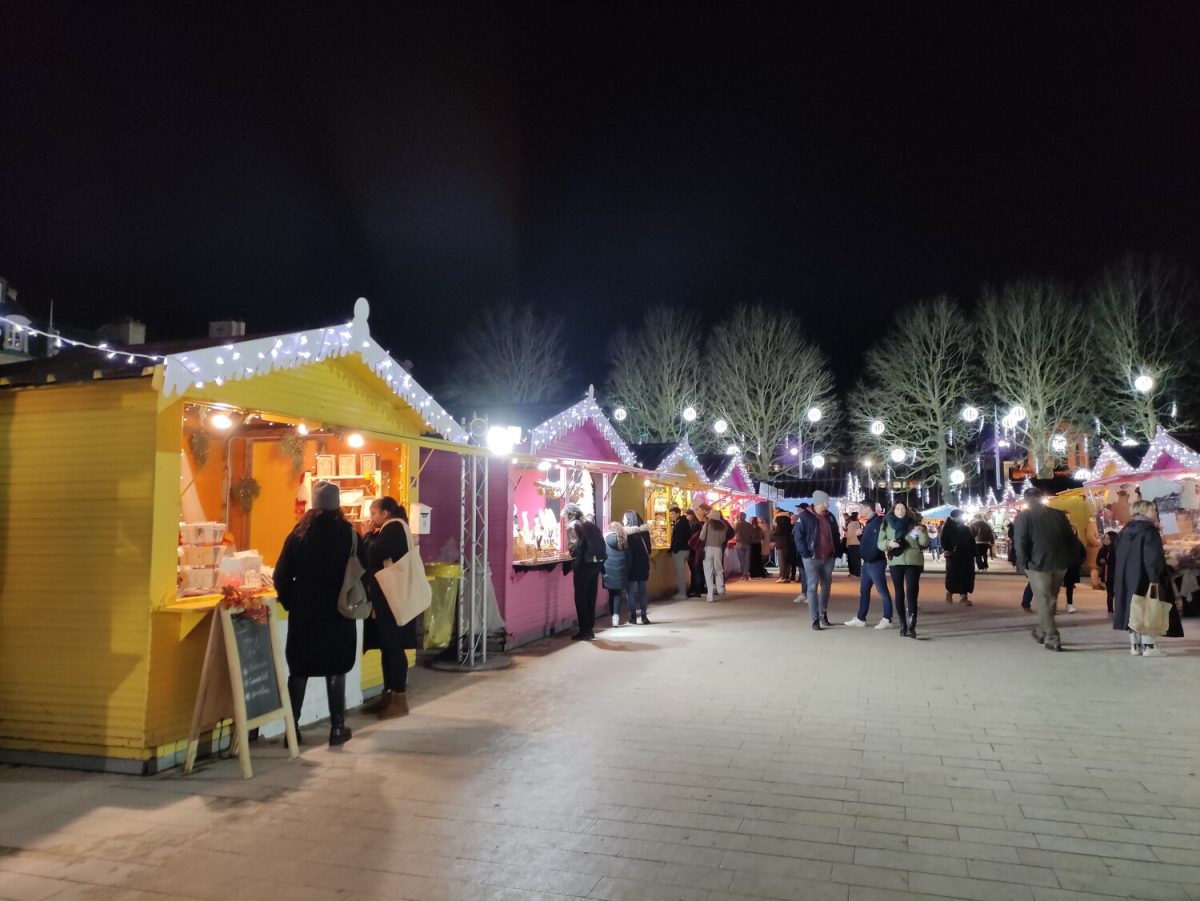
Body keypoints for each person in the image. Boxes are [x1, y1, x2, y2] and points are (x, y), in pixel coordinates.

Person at [274, 480, 357, 746]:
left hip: (305, 612)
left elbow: (280, 576)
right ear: (338, 504)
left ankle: (292, 731)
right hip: (338, 612)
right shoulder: (349, 533)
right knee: (336, 668)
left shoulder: (299, 534)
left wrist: (291, 601)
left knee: (299, 669)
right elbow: (362, 570)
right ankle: (337, 729)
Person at [359, 496, 420, 721]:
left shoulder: (393, 528)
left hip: (393, 599)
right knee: (388, 647)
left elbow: (373, 554)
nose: (371, 518)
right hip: (388, 599)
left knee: (393, 647)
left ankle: (399, 698)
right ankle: (389, 696)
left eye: (373, 513)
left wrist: (366, 535)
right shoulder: (393, 528)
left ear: (385, 513)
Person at [1112, 500, 1183, 657]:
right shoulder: (1149, 532)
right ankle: (1149, 647)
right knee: (1149, 608)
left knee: (1133, 609)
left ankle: (1135, 645)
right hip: (1145, 576)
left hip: (1126, 577)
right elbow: (1153, 558)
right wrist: (1156, 578)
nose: (1155, 513)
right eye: (1152, 510)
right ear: (1144, 511)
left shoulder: (1125, 531)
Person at [1013, 487, 1077, 652]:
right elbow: (1070, 538)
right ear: (1042, 498)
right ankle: (1042, 630)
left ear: (1027, 500)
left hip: (1038, 563)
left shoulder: (1024, 517)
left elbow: (1020, 542)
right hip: (1060, 562)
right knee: (1051, 599)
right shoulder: (1058, 514)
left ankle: (1052, 637)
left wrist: (1022, 563)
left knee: (1044, 600)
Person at [878, 502, 929, 638]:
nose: (900, 510)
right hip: (896, 561)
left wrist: (923, 532)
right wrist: (889, 543)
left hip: (913, 561)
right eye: (898, 508)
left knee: (912, 593)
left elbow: (923, 543)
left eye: (903, 508)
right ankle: (903, 624)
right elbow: (880, 543)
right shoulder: (887, 524)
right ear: (893, 510)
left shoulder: (914, 525)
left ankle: (912, 625)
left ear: (907, 510)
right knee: (899, 592)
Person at [794, 491, 842, 630]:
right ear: (818, 502)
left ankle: (823, 613)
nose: (828, 503)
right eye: (826, 501)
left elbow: (836, 535)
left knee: (826, 586)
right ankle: (815, 618)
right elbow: (798, 537)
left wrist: (836, 552)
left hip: (828, 558)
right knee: (812, 587)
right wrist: (806, 553)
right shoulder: (804, 517)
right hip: (811, 558)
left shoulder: (830, 517)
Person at [844, 501, 894, 628]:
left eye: (861, 508)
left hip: (875, 562)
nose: (860, 510)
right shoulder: (870, 523)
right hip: (868, 562)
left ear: (868, 508)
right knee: (864, 590)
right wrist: (861, 537)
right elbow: (869, 542)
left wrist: (871, 555)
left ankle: (887, 618)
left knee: (882, 591)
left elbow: (879, 543)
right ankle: (861, 618)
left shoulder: (877, 523)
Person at [564, 503, 606, 640]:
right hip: (596, 563)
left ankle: (584, 630)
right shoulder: (590, 524)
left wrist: (573, 563)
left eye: (565, 516)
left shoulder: (572, 525)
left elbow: (573, 547)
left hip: (583, 564)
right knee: (591, 596)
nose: (564, 518)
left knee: (581, 597)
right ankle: (590, 628)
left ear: (569, 515)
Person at [602, 520, 635, 627]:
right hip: (621, 570)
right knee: (617, 594)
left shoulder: (605, 540)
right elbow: (629, 558)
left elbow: (603, 555)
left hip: (608, 570)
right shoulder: (623, 540)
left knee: (611, 593)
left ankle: (613, 615)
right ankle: (615, 617)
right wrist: (627, 569)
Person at [623, 510, 653, 624]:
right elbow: (649, 550)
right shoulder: (645, 533)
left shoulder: (626, 534)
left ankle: (633, 617)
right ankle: (644, 616)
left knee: (630, 592)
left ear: (629, 519)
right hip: (643, 565)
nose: (623, 520)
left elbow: (624, 551)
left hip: (630, 565)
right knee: (643, 591)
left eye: (625, 518)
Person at [941, 508, 976, 606]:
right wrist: (947, 550)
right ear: (954, 517)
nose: (961, 518)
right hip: (954, 556)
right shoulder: (947, 527)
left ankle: (963, 597)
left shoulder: (965, 528)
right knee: (953, 575)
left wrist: (974, 554)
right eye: (960, 516)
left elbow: (971, 541)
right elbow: (943, 540)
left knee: (965, 575)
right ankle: (949, 593)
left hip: (966, 556)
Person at [700, 507, 731, 602]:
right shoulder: (723, 525)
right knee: (718, 568)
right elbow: (724, 539)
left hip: (708, 548)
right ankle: (720, 587)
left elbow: (701, 537)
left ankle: (710, 594)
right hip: (718, 549)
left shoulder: (708, 524)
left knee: (708, 571)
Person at [668, 506, 691, 600]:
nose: (671, 516)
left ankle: (682, 593)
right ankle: (683, 592)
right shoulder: (684, 522)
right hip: (685, 550)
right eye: (670, 514)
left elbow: (679, 538)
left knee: (680, 573)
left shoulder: (680, 524)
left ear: (678, 514)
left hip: (680, 551)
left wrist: (674, 549)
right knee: (681, 572)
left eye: (672, 514)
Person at [1063, 525, 1087, 614]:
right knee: (1055, 587)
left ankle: (1069, 604)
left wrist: (1079, 562)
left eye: (1074, 530)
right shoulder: (1063, 541)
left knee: (1070, 587)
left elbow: (1083, 554)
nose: (1072, 531)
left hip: (1072, 567)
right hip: (1063, 567)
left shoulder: (1078, 542)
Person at [1096, 529, 1118, 614]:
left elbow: (1116, 562)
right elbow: (1098, 561)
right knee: (1110, 593)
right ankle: (1110, 609)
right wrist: (1101, 562)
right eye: (1104, 538)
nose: (1105, 540)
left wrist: (1106, 561)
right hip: (1107, 574)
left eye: (1108, 538)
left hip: (1116, 574)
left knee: (1116, 592)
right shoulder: (1102, 550)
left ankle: (1118, 608)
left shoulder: (1116, 550)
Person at [687, 509, 706, 597]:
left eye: (687, 516)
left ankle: (696, 590)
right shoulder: (699, 524)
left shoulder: (693, 525)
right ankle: (700, 588)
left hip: (694, 551)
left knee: (695, 571)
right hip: (699, 550)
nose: (687, 518)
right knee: (698, 570)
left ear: (690, 515)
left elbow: (692, 539)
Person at [772, 512, 795, 583]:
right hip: (788, 544)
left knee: (782, 561)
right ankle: (787, 576)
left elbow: (776, 532)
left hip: (781, 545)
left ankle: (782, 576)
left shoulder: (779, 527)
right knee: (787, 561)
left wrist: (772, 533)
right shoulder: (790, 526)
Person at [734, 512, 756, 581]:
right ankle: (746, 573)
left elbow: (733, 532)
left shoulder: (737, 524)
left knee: (741, 560)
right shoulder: (749, 525)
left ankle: (743, 575)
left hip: (739, 543)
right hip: (748, 543)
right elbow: (753, 534)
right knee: (747, 560)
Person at [844, 511, 863, 577]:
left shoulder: (850, 524)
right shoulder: (859, 524)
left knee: (852, 559)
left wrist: (846, 543)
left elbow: (849, 535)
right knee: (857, 559)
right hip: (858, 544)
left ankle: (853, 573)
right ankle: (857, 572)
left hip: (851, 544)